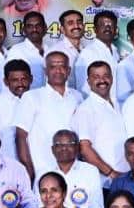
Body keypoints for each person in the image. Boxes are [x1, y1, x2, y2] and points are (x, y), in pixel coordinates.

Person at [15, 51, 83, 181]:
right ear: (45, 71)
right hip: (43, 172)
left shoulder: (77, 96)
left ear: (68, 70)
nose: (58, 71)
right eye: (53, 66)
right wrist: (29, 170)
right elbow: (21, 136)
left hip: (74, 171)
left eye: (62, 66)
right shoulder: (31, 97)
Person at [73, 61, 130, 184]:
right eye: (96, 77)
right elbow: (85, 149)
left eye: (106, 76)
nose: (102, 80)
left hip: (126, 177)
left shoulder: (118, 104)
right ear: (88, 81)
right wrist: (111, 173)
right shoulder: (86, 109)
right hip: (106, 182)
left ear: (112, 78)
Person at [45, 130, 104, 208]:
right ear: (53, 149)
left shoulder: (90, 171)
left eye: (69, 144)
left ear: (77, 147)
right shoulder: (44, 173)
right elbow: (39, 206)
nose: (64, 148)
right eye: (59, 144)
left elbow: (96, 206)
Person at [0, 59, 33, 162]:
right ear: (6, 82)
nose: (20, 84)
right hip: (8, 163)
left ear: (31, 79)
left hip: (37, 162)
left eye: (24, 79)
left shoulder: (38, 100)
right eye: (15, 80)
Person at [75, 11, 122, 101]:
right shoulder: (88, 53)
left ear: (116, 29)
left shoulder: (115, 51)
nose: (107, 28)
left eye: (111, 25)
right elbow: (83, 88)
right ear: (95, 29)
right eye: (103, 25)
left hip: (115, 104)